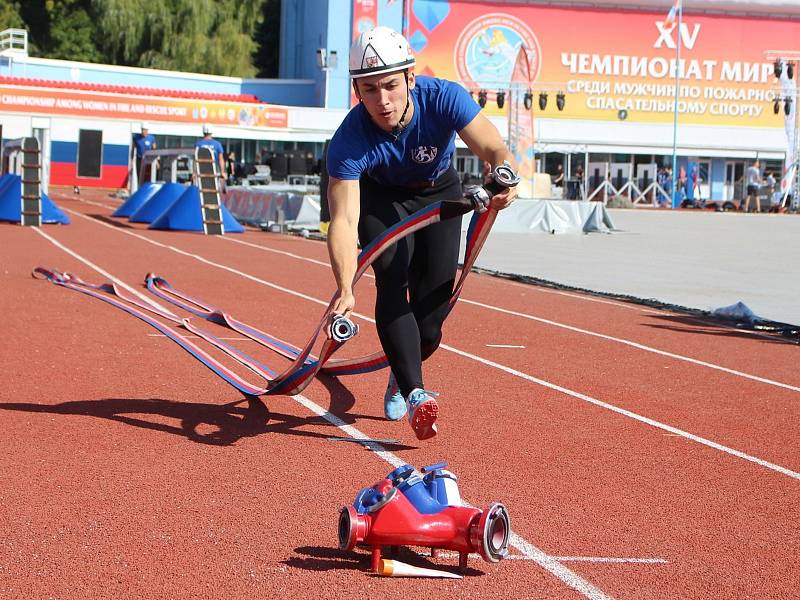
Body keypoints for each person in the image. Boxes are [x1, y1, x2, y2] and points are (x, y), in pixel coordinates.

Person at [325, 26, 517, 440]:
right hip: (382, 199)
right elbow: (341, 221)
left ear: (411, 78)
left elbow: (495, 149)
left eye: (391, 86)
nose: (382, 101)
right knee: (392, 275)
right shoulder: (349, 139)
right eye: (369, 90)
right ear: (357, 90)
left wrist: (506, 178)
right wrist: (344, 288)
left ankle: (400, 368)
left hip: (439, 192)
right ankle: (415, 391)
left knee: (431, 320)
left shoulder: (444, 98)